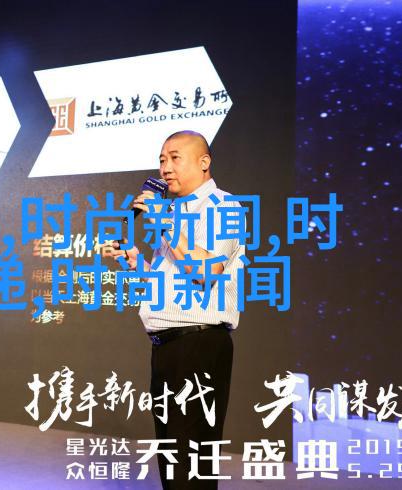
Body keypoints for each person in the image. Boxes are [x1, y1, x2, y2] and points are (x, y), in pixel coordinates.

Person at [111, 130, 245, 489]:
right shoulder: (174, 214)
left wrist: (163, 220)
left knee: (191, 461)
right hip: (167, 347)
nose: (165, 168)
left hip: (198, 347)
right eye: (161, 160)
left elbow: (204, 272)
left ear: (204, 163)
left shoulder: (222, 206)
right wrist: (136, 263)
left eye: (174, 158)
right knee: (173, 463)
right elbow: (169, 285)